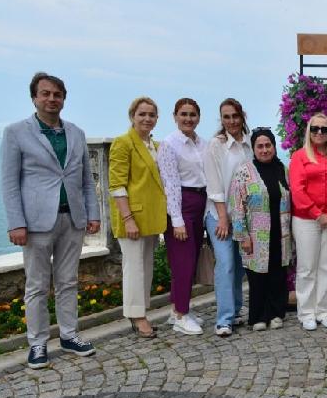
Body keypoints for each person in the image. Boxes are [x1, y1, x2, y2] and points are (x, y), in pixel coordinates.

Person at [1, 72, 100, 369]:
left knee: (68, 281)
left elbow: (85, 180)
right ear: (34, 97)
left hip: (72, 219)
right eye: (45, 94)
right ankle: (38, 343)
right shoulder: (16, 132)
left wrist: (93, 214)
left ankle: (69, 335)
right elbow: (9, 182)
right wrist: (15, 223)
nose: (51, 99)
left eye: (57, 94)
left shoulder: (76, 133)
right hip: (35, 224)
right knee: (36, 285)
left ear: (63, 99)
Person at [108, 96, 167, 339]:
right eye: (142, 114)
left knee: (146, 267)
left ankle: (142, 311)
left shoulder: (155, 145)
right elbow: (117, 185)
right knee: (133, 268)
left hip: (151, 217)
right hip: (132, 217)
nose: (147, 118)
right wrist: (128, 218)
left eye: (151, 115)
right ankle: (136, 316)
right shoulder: (124, 143)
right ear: (132, 116)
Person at [289, 113, 327, 331]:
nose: (319, 133)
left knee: (326, 266)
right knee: (307, 267)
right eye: (315, 128)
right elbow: (297, 190)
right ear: (309, 130)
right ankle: (306, 312)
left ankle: (323, 310)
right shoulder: (299, 157)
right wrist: (317, 214)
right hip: (307, 220)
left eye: (324, 129)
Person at [229, 128, 291, 331]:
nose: (264, 150)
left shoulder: (283, 169)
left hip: (280, 234)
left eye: (268, 145)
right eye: (260, 146)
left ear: (273, 146)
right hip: (256, 235)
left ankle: (276, 313)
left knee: (277, 274)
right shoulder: (244, 172)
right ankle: (258, 317)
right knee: (257, 277)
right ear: (253, 149)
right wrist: (242, 236)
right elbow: (237, 207)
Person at [203, 98, 253, 337]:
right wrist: (223, 218)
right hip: (219, 214)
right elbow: (213, 185)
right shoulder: (216, 145)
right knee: (226, 264)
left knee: (240, 266)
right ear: (221, 119)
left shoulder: (250, 144)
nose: (231, 121)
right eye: (226, 117)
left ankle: (235, 312)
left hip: (244, 216)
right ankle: (223, 319)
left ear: (242, 116)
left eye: (235, 116)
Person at [157, 98, 207, 335]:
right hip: (181, 203)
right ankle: (181, 315)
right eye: (183, 114)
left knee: (191, 259)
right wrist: (176, 219)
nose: (188, 118)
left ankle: (178, 309)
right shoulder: (169, 145)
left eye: (193, 114)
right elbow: (170, 182)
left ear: (199, 117)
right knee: (183, 261)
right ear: (175, 116)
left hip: (200, 201)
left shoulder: (201, 143)